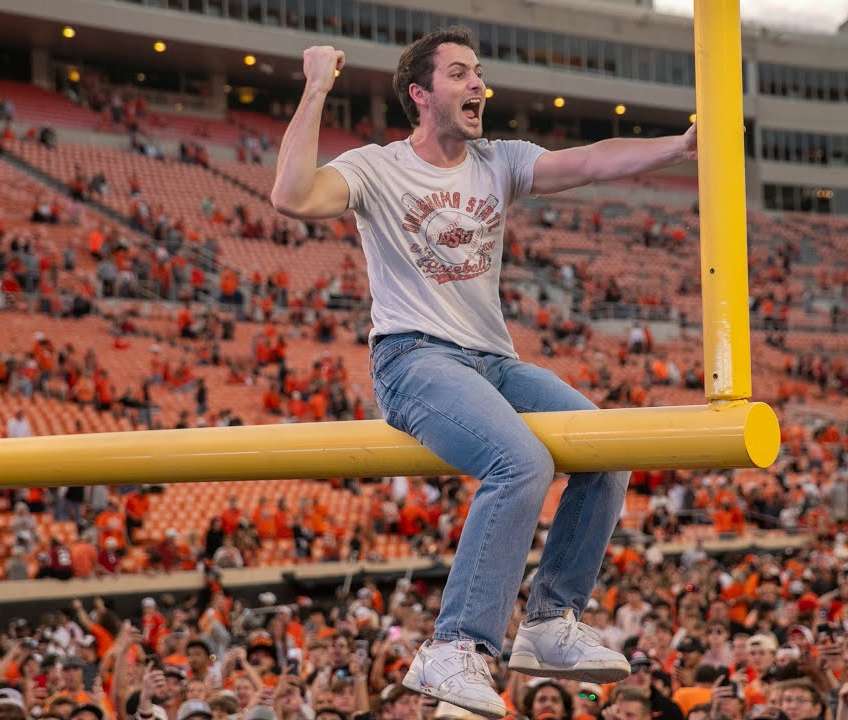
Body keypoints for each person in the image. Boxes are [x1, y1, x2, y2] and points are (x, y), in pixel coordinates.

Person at [271, 26, 697, 720]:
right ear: (420, 92)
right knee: (520, 463)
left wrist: (678, 147)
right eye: (463, 74)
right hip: (414, 357)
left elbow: (589, 161)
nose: (480, 86)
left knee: (612, 444)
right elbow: (290, 195)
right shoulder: (376, 167)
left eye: (480, 74)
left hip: (494, 361)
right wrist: (317, 84)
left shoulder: (497, 161)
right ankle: (456, 646)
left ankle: (550, 621)